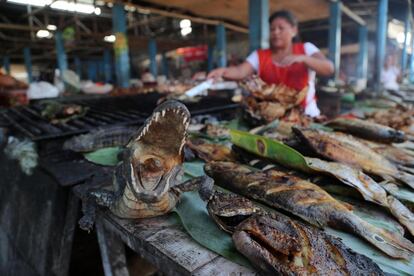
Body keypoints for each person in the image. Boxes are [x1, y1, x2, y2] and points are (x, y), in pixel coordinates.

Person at [208, 10, 334, 117]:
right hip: (271, 118)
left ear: (294, 30)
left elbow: (329, 68)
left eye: (281, 28)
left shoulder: (306, 49)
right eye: (272, 29)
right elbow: (240, 71)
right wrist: (222, 71)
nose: (276, 32)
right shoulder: (260, 55)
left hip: (306, 115)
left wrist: (304, 59)